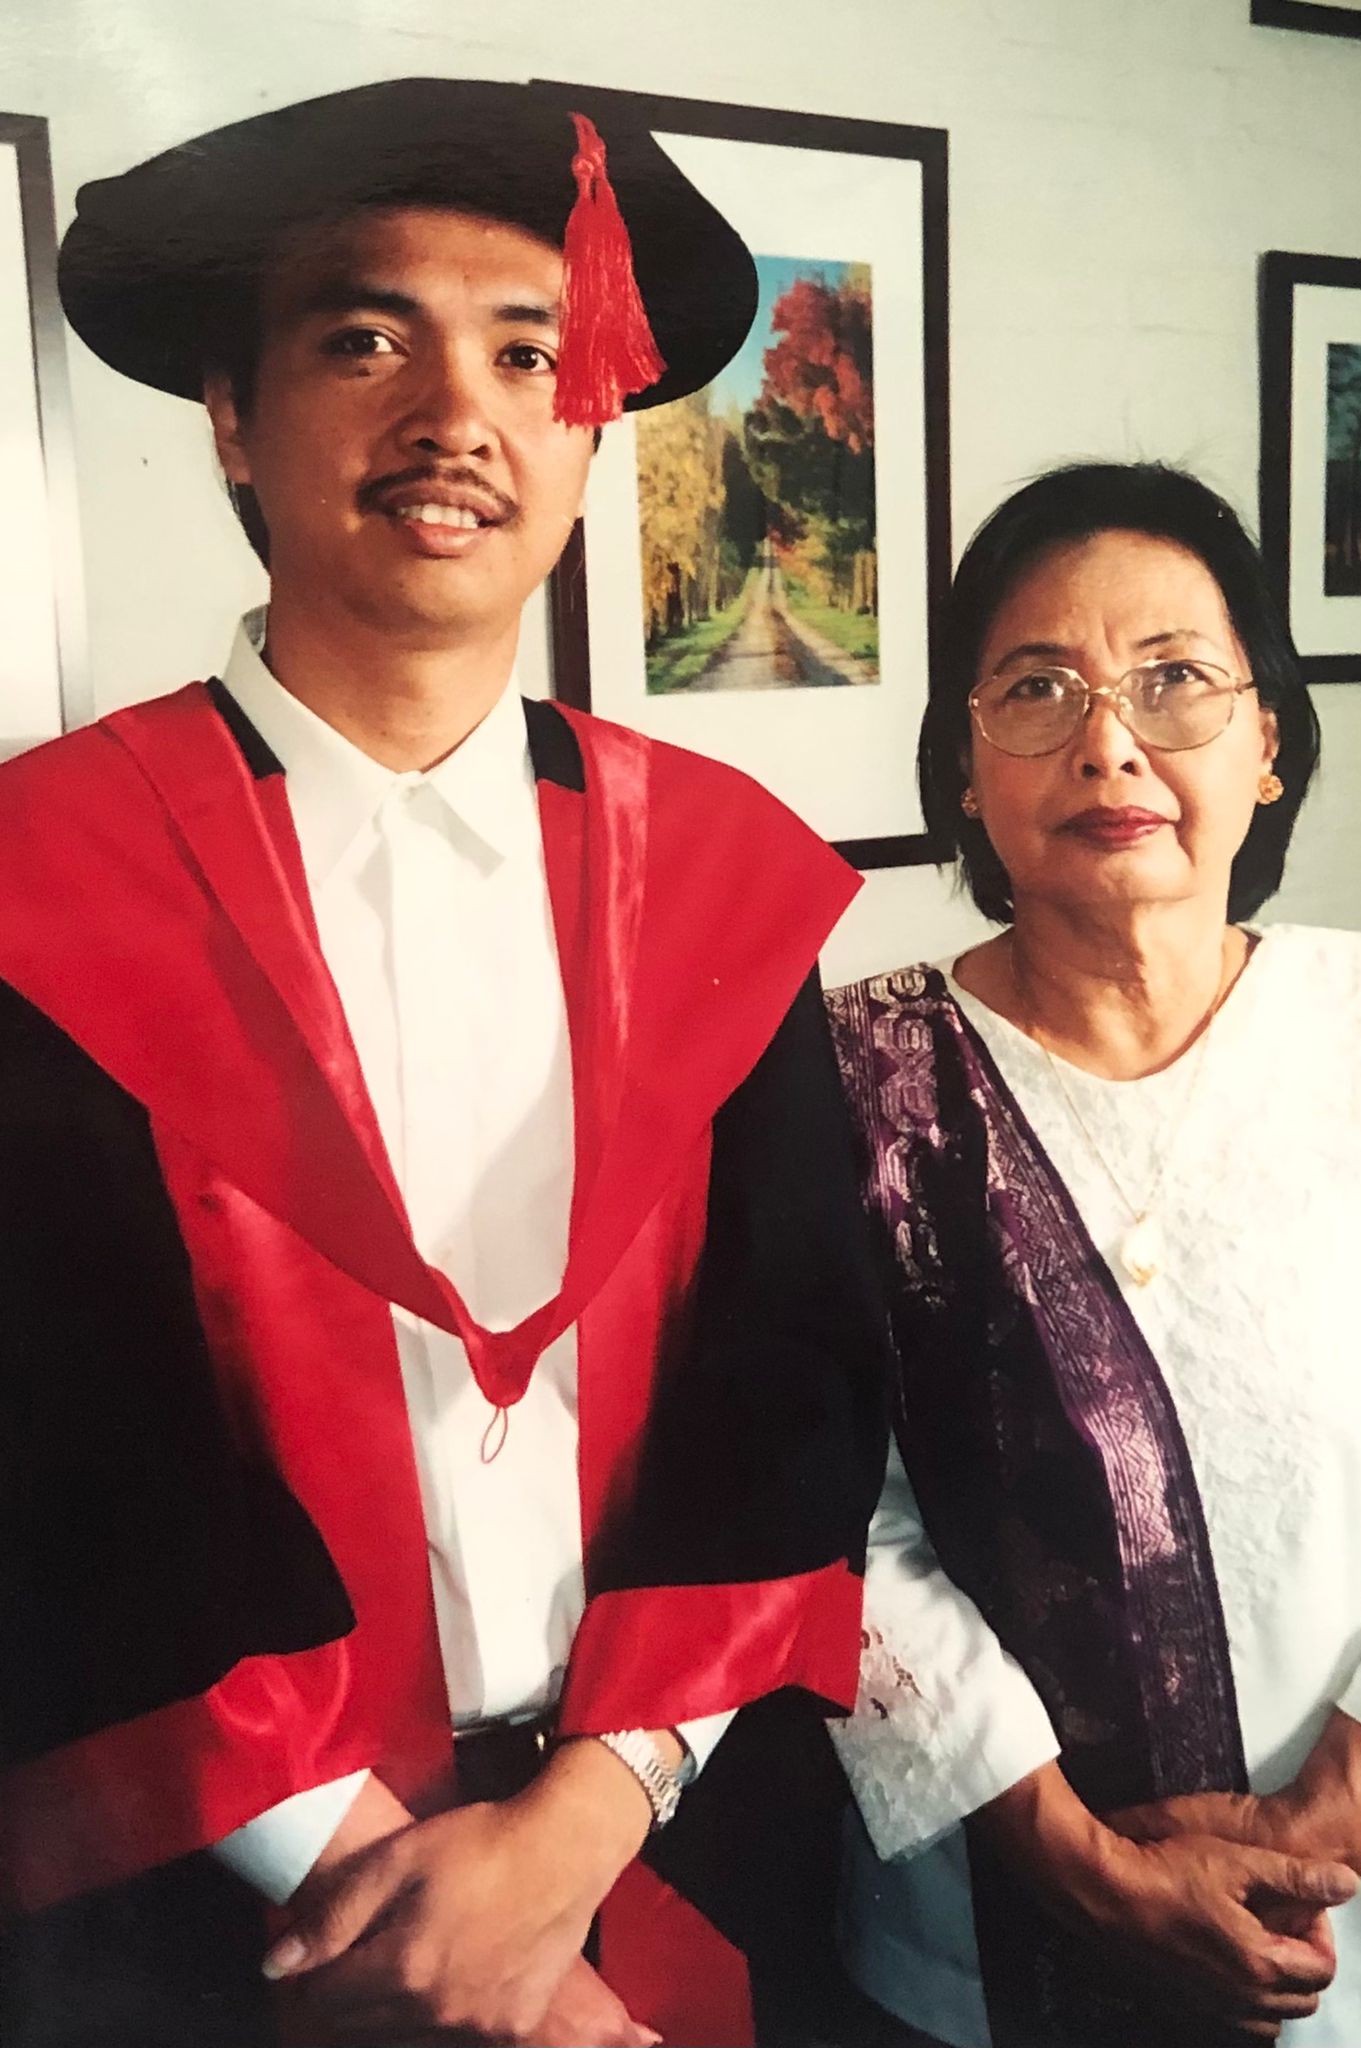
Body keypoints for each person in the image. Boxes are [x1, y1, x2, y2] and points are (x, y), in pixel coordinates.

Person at [0, 78, 886, 2048]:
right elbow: (57, 1465)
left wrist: (579, 1826)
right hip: (210, 1909)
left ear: (591, 428)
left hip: (673, 1841)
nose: (456, 413)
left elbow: (794, 1376)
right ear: (230, 414)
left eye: (525, 349)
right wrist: (434, 1926)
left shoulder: (717, 878)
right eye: (362, 335)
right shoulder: (38, 889)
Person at [823, 463, 1361, 2048]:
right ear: (962, 767)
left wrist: (1325, 1827)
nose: (1107, 740)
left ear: (1268, 741)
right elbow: (835, 1522)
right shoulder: (845, 1075)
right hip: (988, 1942)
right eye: (1035, 687)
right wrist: (1075, 1864)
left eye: (1174, 679)